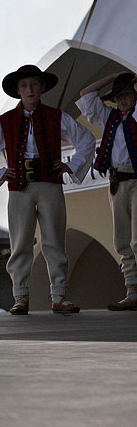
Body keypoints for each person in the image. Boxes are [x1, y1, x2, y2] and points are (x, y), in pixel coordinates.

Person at [0, 65, 95, 315]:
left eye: (33, 84)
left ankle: (59, 296)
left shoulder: (56, 116)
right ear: (18, 91)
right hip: (20, 186)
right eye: (24, 86)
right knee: (20, 243)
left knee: (54, 240)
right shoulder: (6, 120)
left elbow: (85, 139)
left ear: (42, 88)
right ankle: (20, 296)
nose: (29, 89)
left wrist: (70, 165)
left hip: (50, 183)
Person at [76, 71, 137, 311]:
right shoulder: (109, 118)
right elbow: (85, 95)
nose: (123, 100)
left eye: (128, 95)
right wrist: (113, 76)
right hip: (117, 181)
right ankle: (132, 290)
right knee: (121, 239)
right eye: (119, 96)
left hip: (136, 179)